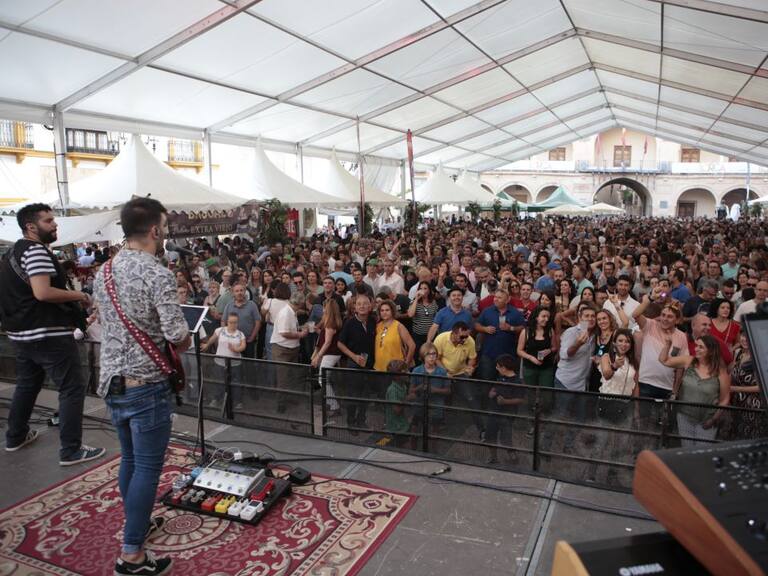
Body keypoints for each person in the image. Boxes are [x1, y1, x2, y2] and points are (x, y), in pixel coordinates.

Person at [93, 197, 190, 576]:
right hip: (145, 383)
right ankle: (131, 554)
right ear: (154, 230)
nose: (164, 234)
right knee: (148, 466)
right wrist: (180, 339)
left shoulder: (104, 270)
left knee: (130, 460)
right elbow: (176, 333)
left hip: (112, 381)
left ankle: (137, 523)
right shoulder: (158, 273)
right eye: (163, 227)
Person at [0, 203, 103, 466]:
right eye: (49, 221)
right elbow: (42, 292)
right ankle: (71, 450)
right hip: (47, 332)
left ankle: (16, 436)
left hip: (21, 333)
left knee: (28, 384)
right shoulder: (35, 251)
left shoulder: (12, 252)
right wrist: (80, 295)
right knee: (71, 388)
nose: (55, 225)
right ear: (31, 227)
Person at [659, 334, 730, 446]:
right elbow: (664, 360)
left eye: (701, 347)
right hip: (684, 416)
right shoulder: (689, 360)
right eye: (697, 346)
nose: (696, 349)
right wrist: (667, 344)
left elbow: (725, 399)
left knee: (702, 453)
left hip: (707, 420)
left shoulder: (721, 372)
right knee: (687, 450)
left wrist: (713, 419)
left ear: (711, 351)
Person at [633, 293, 688, 401]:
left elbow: (680, 367)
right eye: (663, 315)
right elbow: (635, 315)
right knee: (644, 417)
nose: (665, 319)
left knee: (662, 418)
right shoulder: (650, 325)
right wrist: (649, 298)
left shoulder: (681, 336)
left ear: (677, 320)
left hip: (666, 387)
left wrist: (675, 391)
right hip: (645, 382)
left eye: (670, 316)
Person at [337, 293, 377, 429]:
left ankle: (361, 420)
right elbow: (340, 344)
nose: (362, 306)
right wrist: (353, 356)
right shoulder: (349, 323)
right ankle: (351, 422)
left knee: (365, 395)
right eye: (359, 304)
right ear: (354, 307)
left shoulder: (373, 321)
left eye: (365, 303)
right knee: (353, 395)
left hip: (369, 364)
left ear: (370, 306)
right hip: (354, 364)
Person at [270, 291, 308, 413]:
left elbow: (288, 329)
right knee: (283, 378)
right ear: (300, 303)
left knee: (290, 376)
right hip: (282, 349)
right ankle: (281, 403)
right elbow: (284, 332)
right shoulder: (286, 313)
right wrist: (300, 334)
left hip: (290, 349)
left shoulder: (291, 311)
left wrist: (300, 328)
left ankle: (288, 398)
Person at [474, 289, 525, 381]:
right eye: (495, 297)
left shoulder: (515, 313)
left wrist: (511, 328)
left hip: (508, 355)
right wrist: (485, 329)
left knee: (507, 382)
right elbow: (477, 325)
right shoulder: (487, 311)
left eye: (499, 298)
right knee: (487, 380)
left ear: (507, 300)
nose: (495, 299)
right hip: (489, 354)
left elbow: (523, 328)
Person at [485, 354, 525, 465]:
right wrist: (491, 393)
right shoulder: (500, 377)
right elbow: (494, 388)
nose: (496, 368)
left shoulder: (517, 382)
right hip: (494, 411)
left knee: (506, 438)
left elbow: (520, 399)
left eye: (498, 367)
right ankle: (493, 457)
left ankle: (513, 457)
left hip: (507, 414)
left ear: (504, 367)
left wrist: (506, 402)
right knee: (490, 435)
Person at [726, 331, 766, 439]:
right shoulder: (740, 353)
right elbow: (731, 372)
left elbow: (761, 387)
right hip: (737, 403)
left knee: (748, 437)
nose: (745, 339)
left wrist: (735, 388)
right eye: (744, 336)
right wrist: (732, 350)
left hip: (752, 406)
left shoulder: (760, 358)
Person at [202, 312, 246, 407]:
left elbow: (243, 346)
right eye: (231, 322)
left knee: (236, 382)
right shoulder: (220, 330)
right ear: (227, 322)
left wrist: (236, 349)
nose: (233, 324)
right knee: (219, 381)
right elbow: (212, 339)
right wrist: (207, 345)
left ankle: (237, 401)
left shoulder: (240, 334)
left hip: (235, 363)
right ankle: (216, 399)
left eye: (235, 322)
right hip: (220, 362)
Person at [311, 299, 344, 414]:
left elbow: (328, 342)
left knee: (322, 380)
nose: (323, 309)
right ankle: (331, 403)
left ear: (328, 309)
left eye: (324, 307)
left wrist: (317, 356)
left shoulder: (330, 323)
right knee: (324, 379)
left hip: (331, 354)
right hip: (332, 354)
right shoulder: (332, 321)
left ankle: (334, 406)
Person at [411, 342, 450, 429]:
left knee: (435, 430)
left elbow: (448, 390)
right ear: (423, 356)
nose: (432, 357)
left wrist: (435, 390)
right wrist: (420, 387)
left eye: (434, 354)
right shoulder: (416, 371)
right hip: (420, 404)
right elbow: (411, 391)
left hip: (436, 406)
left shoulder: (442, 372)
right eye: (428, 354)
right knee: (415, 428)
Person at [373, 300, 416, 371]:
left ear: (392, 311)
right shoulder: (377, 326)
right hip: (378, 368)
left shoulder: (398, 326)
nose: (384, 312)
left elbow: (412, 346)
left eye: (387, 310)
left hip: (395, 369)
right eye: (382, 310)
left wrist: (406, 364)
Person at [221, 282, 261, 358]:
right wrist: (226, 335)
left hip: (248, 341)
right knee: (234, 364)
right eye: (237, 291)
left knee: (248, 365)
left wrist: (252, 337)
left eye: (241, 290)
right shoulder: (229, 305)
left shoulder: (252, 305)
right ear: (233, 293)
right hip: (233, 340)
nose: (239, 293)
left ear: (245, 291)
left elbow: (258, 322)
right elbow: (223, 321)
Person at [384, 359, 414, 447]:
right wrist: (408, 398)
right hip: (396, 427)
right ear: (397, 376)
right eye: (405, 371)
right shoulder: (392, 390)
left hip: (403, 423)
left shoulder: (403, 385)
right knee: (401, 447)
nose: (408, 372)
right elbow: (396, 409)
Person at [407, 280, 439, 354]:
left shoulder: (433, 302)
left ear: (429, 290)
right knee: (419, 354)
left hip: (431, 334)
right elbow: (410, 314)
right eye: (421, 288)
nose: (423, 290)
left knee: (430, 353)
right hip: (418, 335)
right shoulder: (414, 302)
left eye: (425, 288)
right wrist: (416, 299)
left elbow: (436, 317)